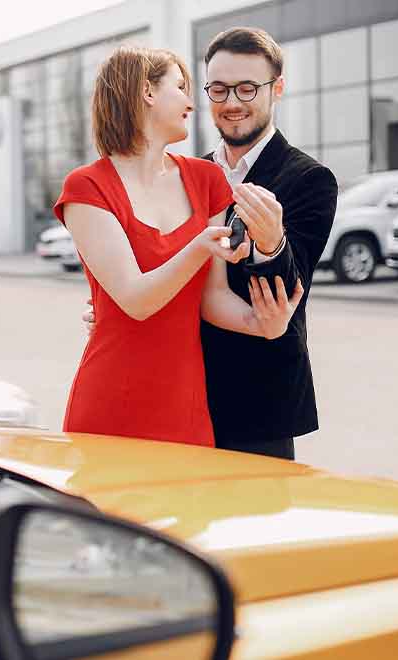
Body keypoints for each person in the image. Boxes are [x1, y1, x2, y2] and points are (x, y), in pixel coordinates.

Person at [84, 29, 338, 460]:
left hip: (256, 403)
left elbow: (289, 292)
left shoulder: (309, 179)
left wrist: (272, 245)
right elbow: (146, 269)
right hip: (178, 392)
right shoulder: (191, 173)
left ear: (276, 89)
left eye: (246, 88)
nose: (232, 102)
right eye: (218, 89)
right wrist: (115, 310)